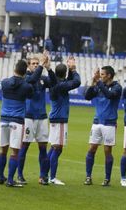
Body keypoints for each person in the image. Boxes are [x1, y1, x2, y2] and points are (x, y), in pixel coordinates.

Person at [17, 52, 56, 185]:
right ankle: (20, 175)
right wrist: (41, 66)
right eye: (33, 64)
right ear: (28, 66)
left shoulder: (43, 78)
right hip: (28, 116)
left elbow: (54, 83)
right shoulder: (26, 77)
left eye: (37, 63)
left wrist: (49, 68)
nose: (35, 65)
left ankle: (43, 176)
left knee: (43, 147)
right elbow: (33, 79)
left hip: (42, 117)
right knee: (25, 146)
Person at [83, 66, 122, 186]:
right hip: (96, 122)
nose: (101, 76)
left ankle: (107, 178)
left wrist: (99, 83)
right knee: (92, 148)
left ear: (109, 75)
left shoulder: (117, 87)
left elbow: (110, 95)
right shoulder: (99, 86)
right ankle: (88, 176)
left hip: (109, 123)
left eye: (103, 74)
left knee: (107, 151)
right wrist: (93, 82)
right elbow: (87, 96)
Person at [0, 60, 33, 187]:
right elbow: (30, 95)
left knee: (3, 150)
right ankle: (11, 180)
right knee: (15, 152)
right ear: (25, 72)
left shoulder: (5, 82)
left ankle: (1, 176)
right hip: (17, 121)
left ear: (15, 69)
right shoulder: (26, 86)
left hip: (4, 119)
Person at [46, 56, 81, 185]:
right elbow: (76, 82)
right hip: (59, 119)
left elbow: (71, 81)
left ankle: (45, 174)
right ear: (64, 73)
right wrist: (73, 68)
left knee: (54, 147)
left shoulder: (58, 84)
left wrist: (70, 70)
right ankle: (52, 177)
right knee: (58, 148)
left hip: (56, 118)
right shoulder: (60, 86)